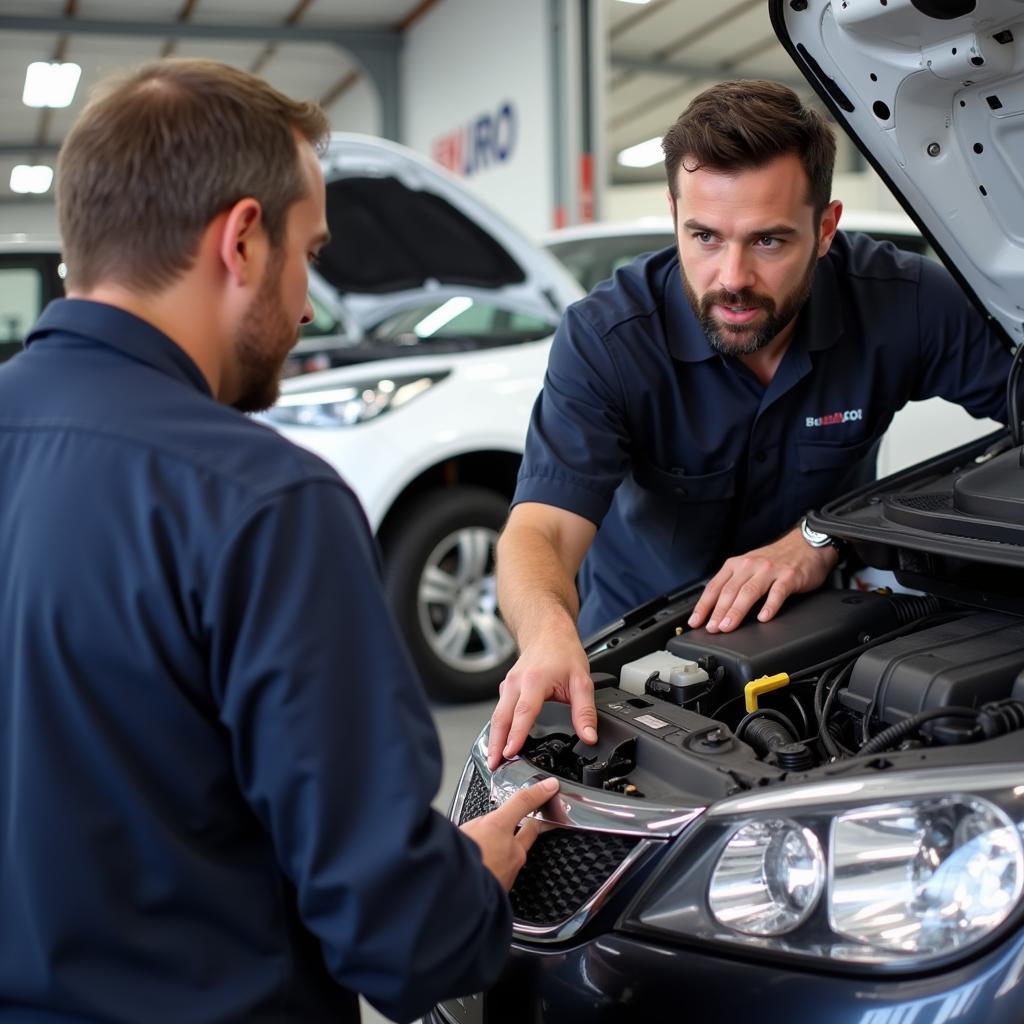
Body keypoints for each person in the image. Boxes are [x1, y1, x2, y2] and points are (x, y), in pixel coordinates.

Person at [0, 59, 559, 1024]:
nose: (306, 305)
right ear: (243, 242)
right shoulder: (264, 503)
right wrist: (466, 885)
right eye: (311, 251)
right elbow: (398, 940)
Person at [488, 79, 1011, 770]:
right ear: (673, 212)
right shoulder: (608, 339)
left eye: (768, 241)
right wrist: (548, 630)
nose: (731, 277)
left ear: (825, 229)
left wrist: (821, 535)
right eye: (703, 237)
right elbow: (541, 529)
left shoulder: (903, 306)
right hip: (638, 655)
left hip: (830, 647)